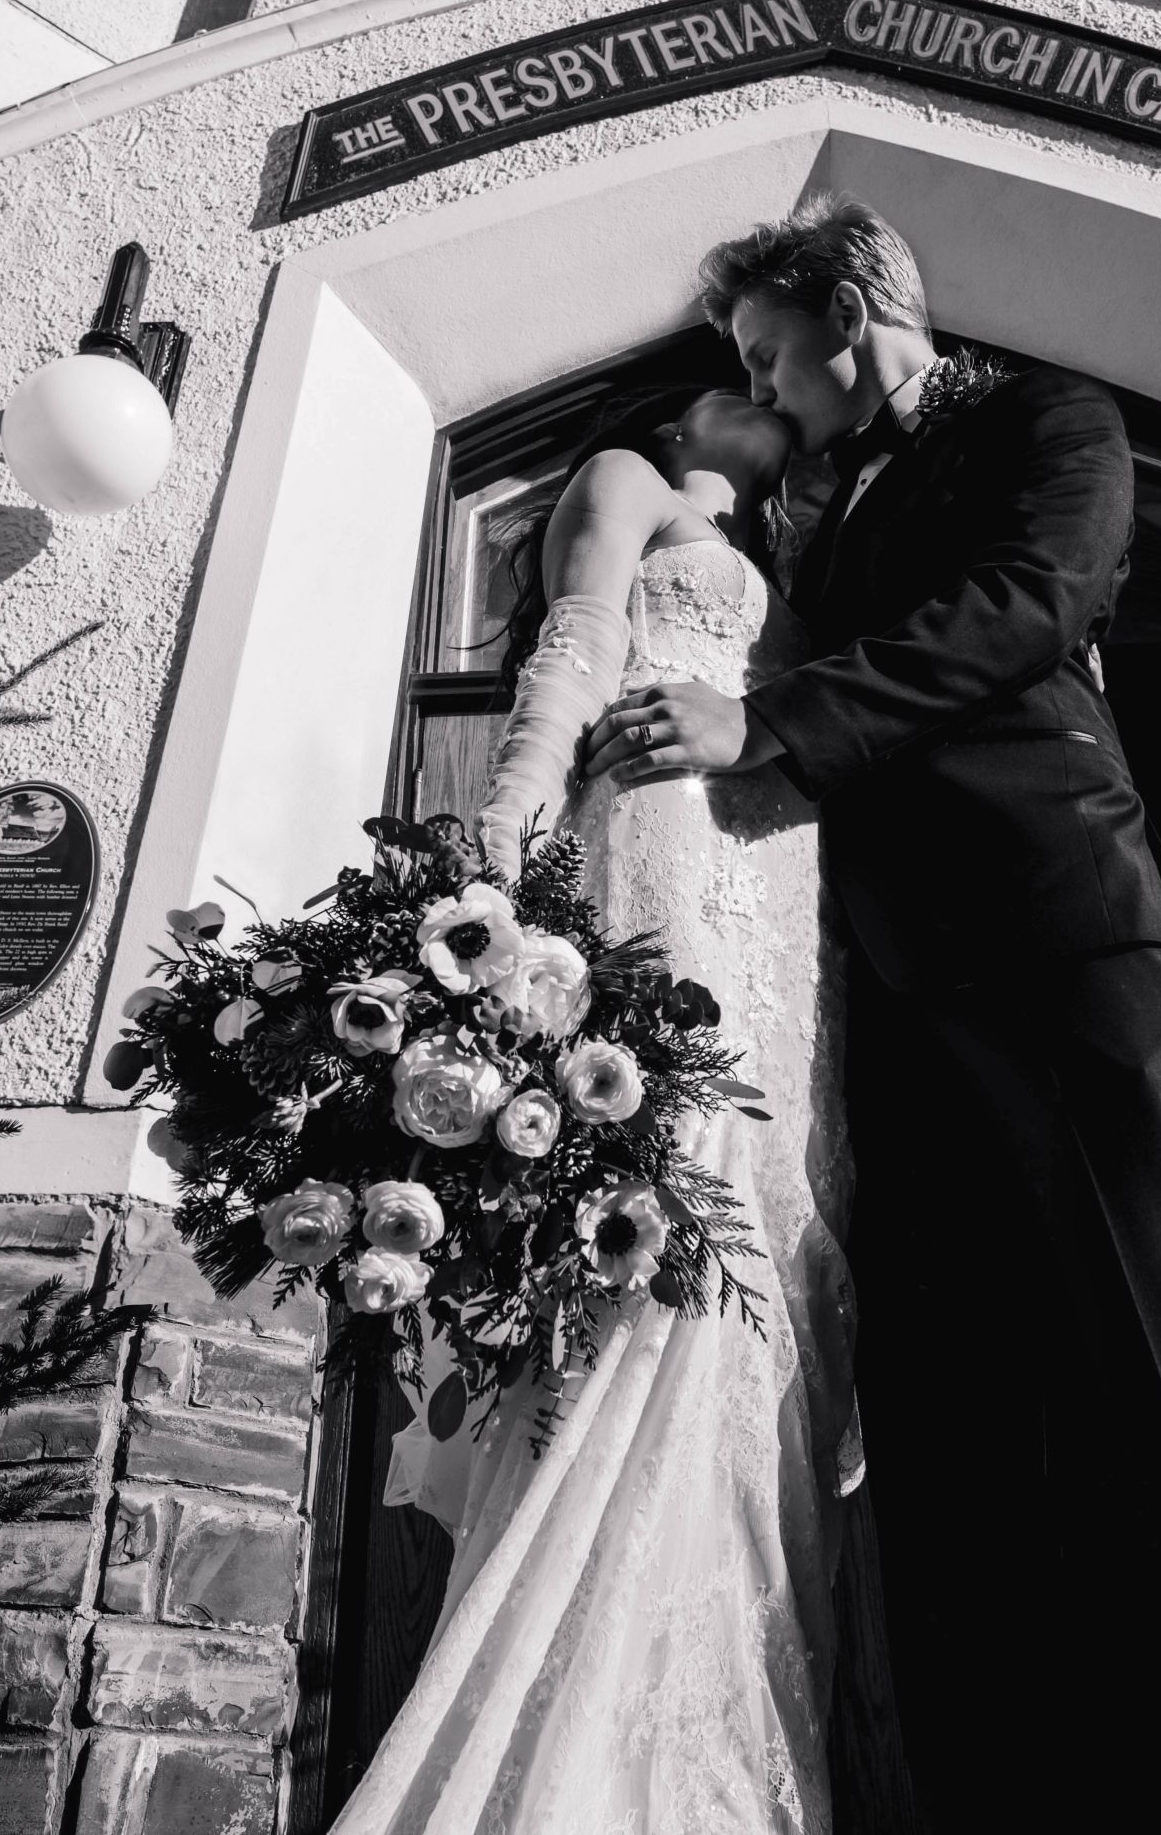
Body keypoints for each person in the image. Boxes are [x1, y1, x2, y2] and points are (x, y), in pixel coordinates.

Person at [586, 199, 1161, 1832]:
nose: (762, 385)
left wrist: (766, 717)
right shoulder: (814, 500)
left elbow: (1029, 598)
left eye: (766, 352)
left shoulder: (1050, 418)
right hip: (895, 1003)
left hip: (1059, 942)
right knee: (960, 1427)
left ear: (855, 305)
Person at [335, 387, 855, 1835]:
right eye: (734, 365)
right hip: (669, 831)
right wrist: (502, 829)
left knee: (779, 1209)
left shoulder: (810, 541)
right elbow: (578, 638)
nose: (755, 388)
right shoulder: (631, 473)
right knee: (679, 1161)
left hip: (787, 868)